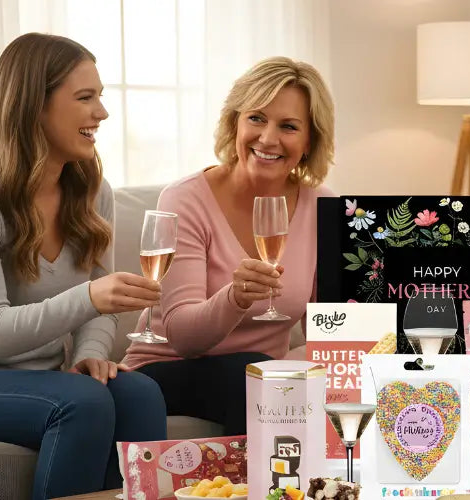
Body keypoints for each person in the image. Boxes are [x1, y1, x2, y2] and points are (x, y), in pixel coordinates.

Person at [0, 33, 168, 500]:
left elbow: (100, 307)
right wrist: (86, 299)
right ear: (33, 106)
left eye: (100, 97)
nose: (101, 112)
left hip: (43, 379)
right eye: (85, 98)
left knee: (139, 393)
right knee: (82, 404)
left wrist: (91, 354)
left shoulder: (91, 190)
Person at [122, 57, 336, 435]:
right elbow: (183, 337)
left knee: (282, 380)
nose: (268, 138)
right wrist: (234, 298)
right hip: (166, 369)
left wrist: (297, 365)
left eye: (288, 126)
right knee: (256, 378)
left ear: (309, 142)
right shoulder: (184, 200)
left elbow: (329, 333)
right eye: (256, 118)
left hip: (260, 375)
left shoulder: (322, 206)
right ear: (234, 122)